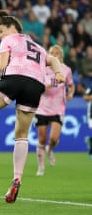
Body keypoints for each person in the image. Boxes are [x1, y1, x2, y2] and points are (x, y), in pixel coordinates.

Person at [0, 10, 65, 203]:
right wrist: (58, 74)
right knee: (22, 135)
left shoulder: (9, 40)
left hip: (14, 77)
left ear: (11, 28)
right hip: (36, 85)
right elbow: (54, 60)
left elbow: (2, 68)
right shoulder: (38, 47)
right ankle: (16, 179)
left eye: (0, 30)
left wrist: (4, 83)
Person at [35, 45, 74, 176]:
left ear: (61, 56)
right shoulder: (42, 69)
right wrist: (53, 83)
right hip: (41, 107)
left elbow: (70, 84)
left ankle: (50, 149)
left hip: (58, 108)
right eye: (53, 53)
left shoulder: (66, 70)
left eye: (58, 53)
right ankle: (41, 167)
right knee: (42, 138)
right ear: (48, 55)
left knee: (53, 139)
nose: (55, 55)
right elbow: (41, 88)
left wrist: (70, 94)